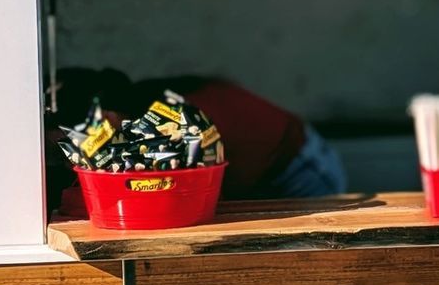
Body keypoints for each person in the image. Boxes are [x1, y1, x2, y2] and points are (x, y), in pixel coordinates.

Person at [48, 66, 347, 210]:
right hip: (256, 173)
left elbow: (196, 205)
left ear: (107, 116)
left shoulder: (181, 123)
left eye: (79, 140)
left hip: (301, 167)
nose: (79, 151)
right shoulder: (141, 115)